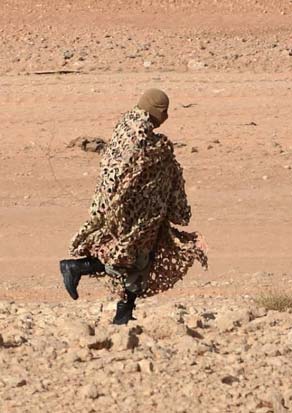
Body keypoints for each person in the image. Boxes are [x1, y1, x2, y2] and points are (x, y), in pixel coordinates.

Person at [60, 89, 208, 324]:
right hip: (133, 210)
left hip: (130, 206)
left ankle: (123, 315)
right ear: (157, 110)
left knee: (136, 258)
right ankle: (78, 268)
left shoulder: (126, 125)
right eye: (164, 111)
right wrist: (163, 155)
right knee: (129, 256)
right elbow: (134, 165)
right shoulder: (139, 133)